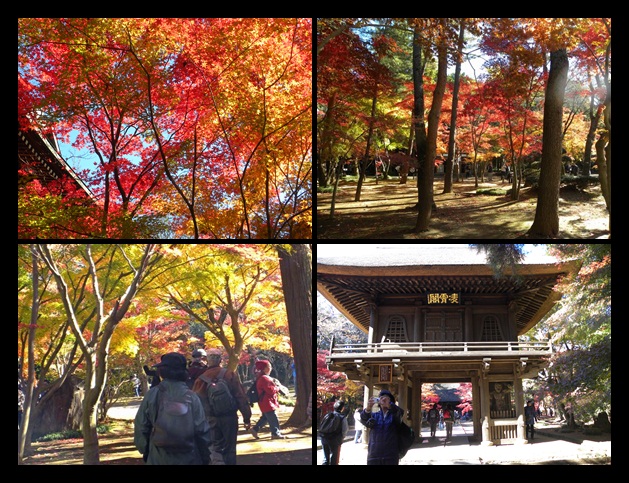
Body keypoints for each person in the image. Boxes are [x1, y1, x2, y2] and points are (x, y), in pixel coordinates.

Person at [133, 352, 211, 465]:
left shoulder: (153, 394)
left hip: (158, 456)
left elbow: (141, 425)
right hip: (190, 456)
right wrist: (204, 455)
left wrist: (145, 450)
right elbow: (202, 430)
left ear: (162, 371)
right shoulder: (192, 397)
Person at [192, 348, 252, 465]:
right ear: (220, 360)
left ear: (207, 361)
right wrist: (247, 417)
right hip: (229, 417)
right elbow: (241, 397)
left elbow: (195, 402)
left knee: (214, 448)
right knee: (230, 449)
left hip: (210, 419)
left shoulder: (200, 379)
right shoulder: (229, 375)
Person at [360, 389, 404, 465]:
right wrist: (368, 408)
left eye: (386, 398)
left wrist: (390, 405)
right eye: (381, 397)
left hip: (390, 456)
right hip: (374, 455)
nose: (383, 399)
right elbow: (364, 419)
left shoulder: (394, 416)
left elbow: (400, 413)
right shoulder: (374, 416)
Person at [250, 359, 285, 440]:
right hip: (268, 402)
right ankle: (275, 433)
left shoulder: (261, 377)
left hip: (264, 402)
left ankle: (255, 429)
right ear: (264, 368)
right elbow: (270, 390)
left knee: (265, 418)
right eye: (269, 366)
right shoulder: (265, 378)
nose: (271, 368)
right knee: (273, 418)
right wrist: (277, 388)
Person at [320, 400, 349, 465]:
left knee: (325, 457)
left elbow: (322, 425)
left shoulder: (328, 415)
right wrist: (341, 438)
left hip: (324, 437)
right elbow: (345, 430)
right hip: (335, 439)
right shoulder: (342, 417)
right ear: (342, 408)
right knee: (334, 458)